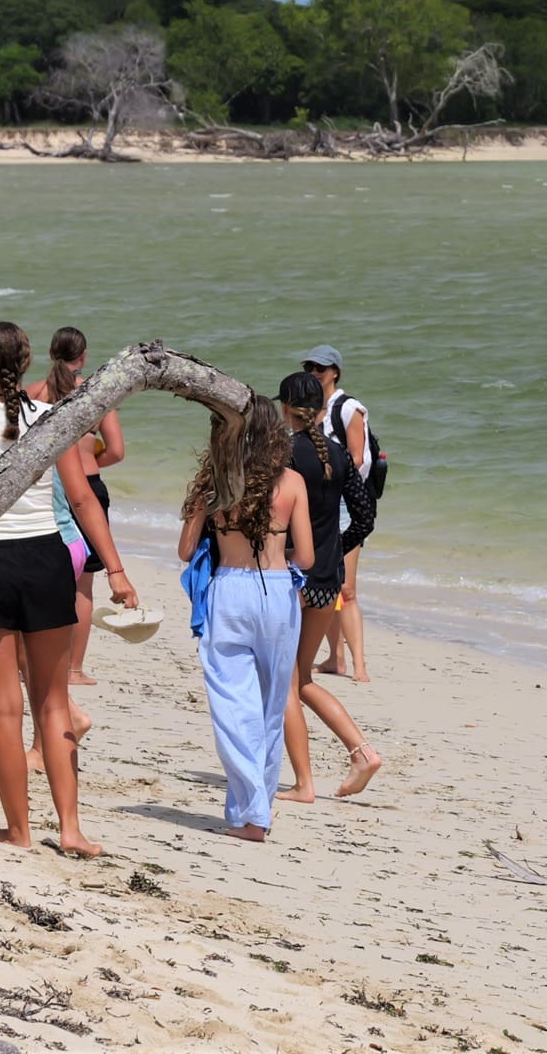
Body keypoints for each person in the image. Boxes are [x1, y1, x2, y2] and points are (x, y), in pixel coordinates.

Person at [0, 322, 137, 857]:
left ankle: (17, 830)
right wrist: (115, 570)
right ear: (23, 364)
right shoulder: (51, 420)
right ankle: (71, 830)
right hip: (46, 561)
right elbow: (84, 500)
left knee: (2, 709)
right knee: (54, 703)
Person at [179, 397, 312, 841]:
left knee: (232, 705)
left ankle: (252, 812)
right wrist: (277, 549)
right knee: (273, 706)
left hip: (228, 590)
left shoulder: (212, 480)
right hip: (277, 592)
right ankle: (256, 810)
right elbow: (308, 557)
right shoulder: (292, 481)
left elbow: (184, 551)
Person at [276, 373, 381, 801]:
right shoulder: (338, 455)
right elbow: (365, 516)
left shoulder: (281, 452)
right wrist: (338, 550)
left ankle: (303, 784)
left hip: (290, 576)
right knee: (300, 679)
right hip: (325, 581)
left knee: (284, 682)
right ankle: (361, 751)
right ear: (321, 410)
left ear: (285, 409)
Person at [25, 327, 123, 687]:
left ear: (51, 353)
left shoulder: (33, 392)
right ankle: (73, 669)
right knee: (83, 587)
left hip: (45, 487)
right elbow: (116, 450)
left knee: (42, 578)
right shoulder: (97, 394)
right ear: (83, 357)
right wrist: (87, 458)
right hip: (87, 487)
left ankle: (30, 662)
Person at [299, 345, 372, 682]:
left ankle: (359, 665)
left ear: (335, 372)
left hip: (344, 500)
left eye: (321, 367)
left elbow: (357, 459)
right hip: (317, 499)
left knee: (347, 589)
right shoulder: (308, 410)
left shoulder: (348, 408)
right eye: (310, 366)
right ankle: (334, 658)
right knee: (324, 583)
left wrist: (325, 473)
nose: (315, 371)